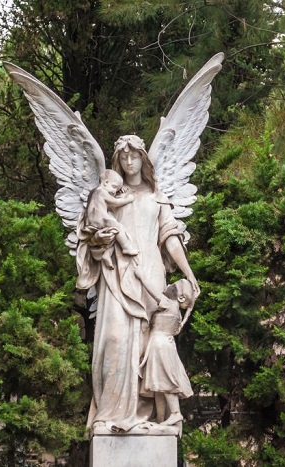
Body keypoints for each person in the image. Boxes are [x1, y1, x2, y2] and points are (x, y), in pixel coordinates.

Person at [76, 135, 199, 434]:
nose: (130, 162)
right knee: (116, 339)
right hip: (118, 273)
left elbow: (169, 237)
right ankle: (110, 413)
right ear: (117, 161)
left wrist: (190, 275)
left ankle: (148, 417)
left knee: (149, 348)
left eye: (135, 156)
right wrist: (98, 241)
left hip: (152, 275)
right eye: (124, 157)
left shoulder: (156, 194)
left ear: (144, 158)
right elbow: (93, 231)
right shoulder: (108, 192)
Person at [141, 279, 196, 426]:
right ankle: (160, 419)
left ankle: (176, 413)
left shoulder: (168, 304)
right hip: (164, 345)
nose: (169, 286)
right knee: (159, 384)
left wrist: (141, 276)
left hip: (160, 345)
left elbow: (153, 291)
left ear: (181, 297)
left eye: (174, 286)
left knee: (166, 381)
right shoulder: (177, 312)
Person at [81, 169, 138, 269]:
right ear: (106, 182)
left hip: (92, 221)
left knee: (113, 234)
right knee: (118, 227)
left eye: (117, 190)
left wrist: (120, 188)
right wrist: (128, 199)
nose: (114, 191)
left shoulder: (94, 192)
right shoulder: (102, 192)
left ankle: (107, 254)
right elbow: (115, 202)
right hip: (100, 219)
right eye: (114, 187)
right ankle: (126, 247)